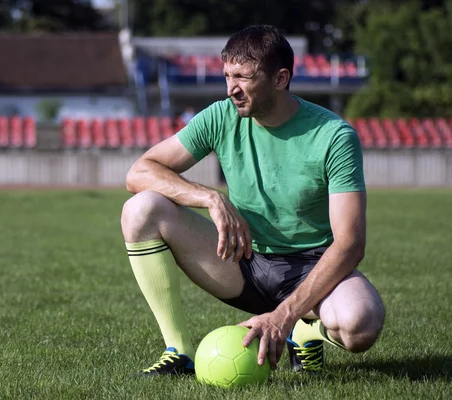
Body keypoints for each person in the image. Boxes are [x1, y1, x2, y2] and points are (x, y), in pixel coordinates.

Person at [121, 25, 385, 376]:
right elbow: (139, 172)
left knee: (360, 324)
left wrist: (284, 317)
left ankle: (305, 331)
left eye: (244, 77)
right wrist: (210, 198)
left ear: (280, 78)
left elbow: (351, 244)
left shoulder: (333, 136)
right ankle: (179, 351)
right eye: (227, 75)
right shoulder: (221, 116)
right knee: (141, 209)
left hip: (313, 267)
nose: (231, 89)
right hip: (241, 260)